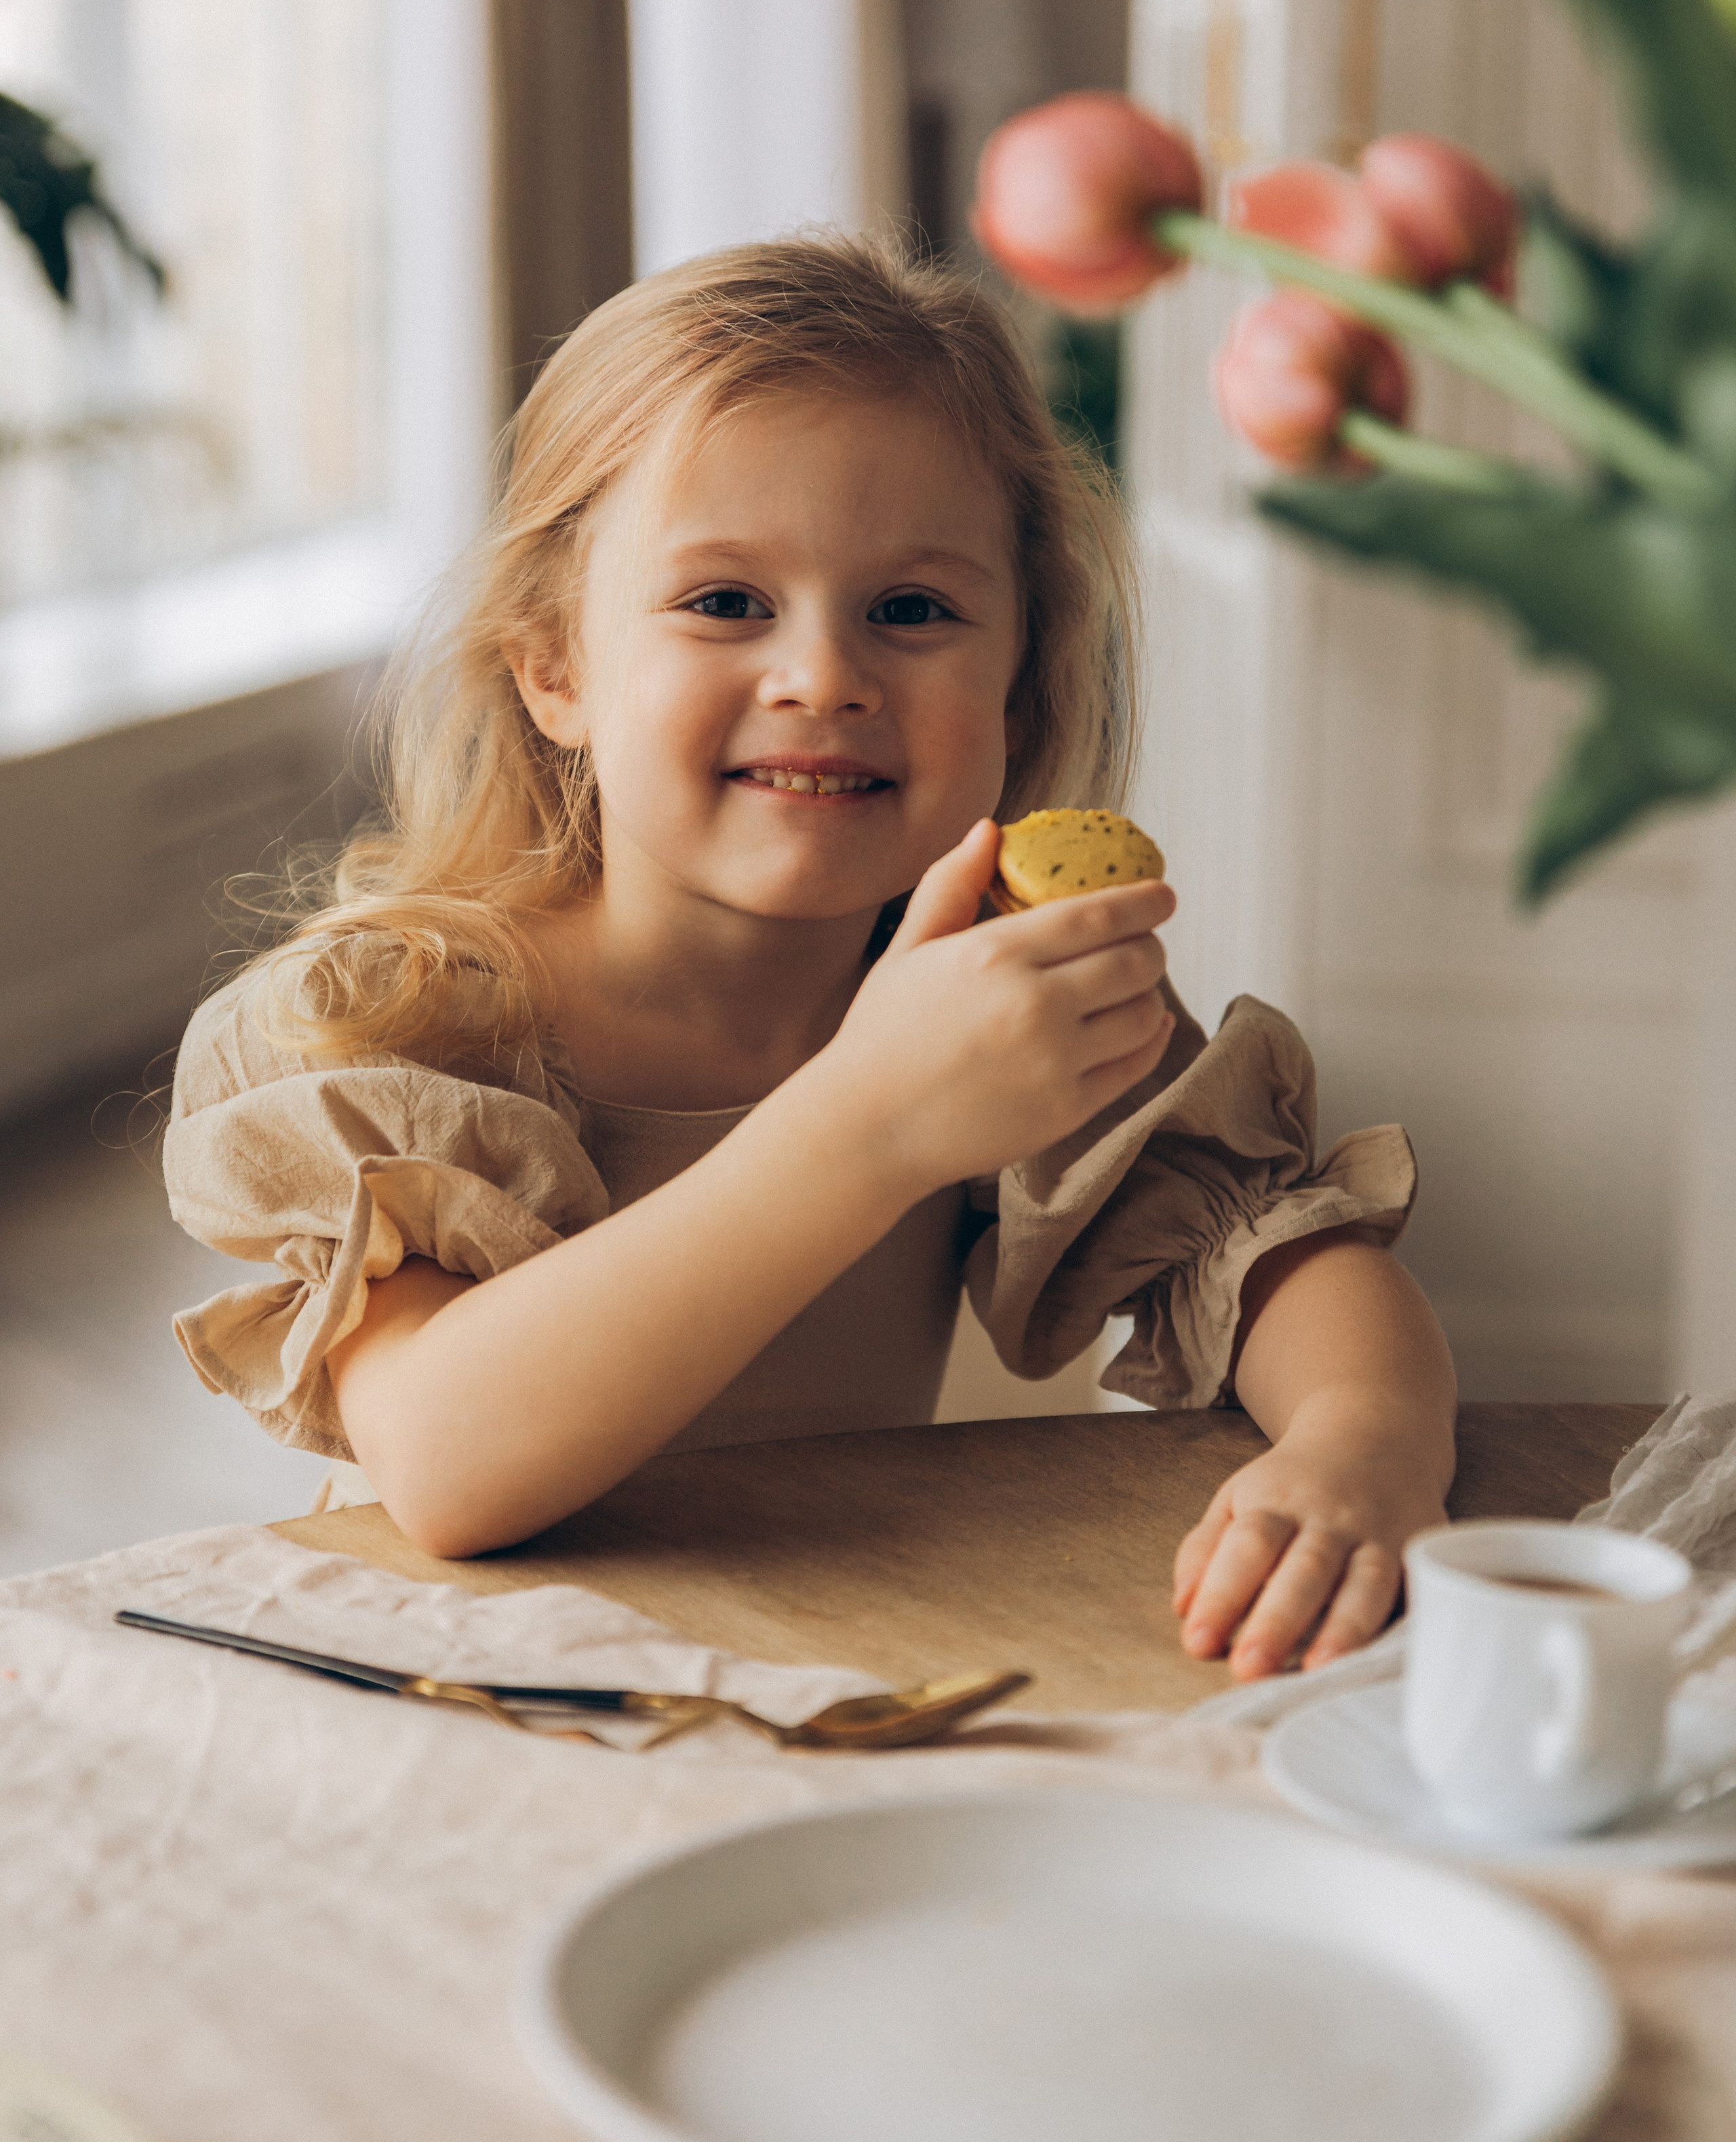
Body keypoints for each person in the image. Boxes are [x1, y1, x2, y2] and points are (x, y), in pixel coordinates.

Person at [164, 235, 1456, 1682]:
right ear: (554, 668)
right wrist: (872, 1118)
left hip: (817, 1674)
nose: (824, 675)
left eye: (911, 610)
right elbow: (452, 1466)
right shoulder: (379, 1033)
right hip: (461, 1691)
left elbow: (1270, 1244)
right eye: (724, 602)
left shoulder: (1001, 1002)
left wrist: (1364, 1444)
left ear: (1020, 692)